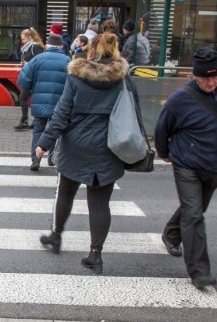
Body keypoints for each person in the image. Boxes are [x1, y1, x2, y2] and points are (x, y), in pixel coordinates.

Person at [34, 33, 141, 274]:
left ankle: (56, 236)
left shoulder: (76, 77)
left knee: (65, 192)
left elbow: (62, 113)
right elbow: (135, 114)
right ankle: (95, 254)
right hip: (109, 147)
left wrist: (45, 142)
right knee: (100, 203)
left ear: (91, 52)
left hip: (76, 144)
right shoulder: (124, 80)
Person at [155, 47, 217, 289]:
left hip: (216, 164)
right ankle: (200, 272)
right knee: (194, 215)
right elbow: (162, 130)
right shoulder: (179, 99)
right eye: (205, 78)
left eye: (215, 77)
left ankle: (171, 234)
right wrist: (165, 154)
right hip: (187, 165)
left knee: (194, 208)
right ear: (194, 76)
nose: (211, 82)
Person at [17, 33, 70, 171]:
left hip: (39, 101)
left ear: (47, 45)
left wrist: (30, 88)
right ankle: (52, 157)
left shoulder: (38, 59)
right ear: (60, 46)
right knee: (55, 128)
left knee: (38, 129)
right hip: (60, 103)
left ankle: (36, 159)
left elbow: (23, 80)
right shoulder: (67, 60)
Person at [14, 27, 44, 130]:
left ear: (30, 38)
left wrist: (28, 64)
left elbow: (40, 62)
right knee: (31, 98)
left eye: (23, 39)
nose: (22, 42)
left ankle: (25, 120)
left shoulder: (35, 47)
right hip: (29, 76)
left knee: (23, 97)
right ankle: (34, 120)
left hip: (33, 77)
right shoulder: (28, 47)